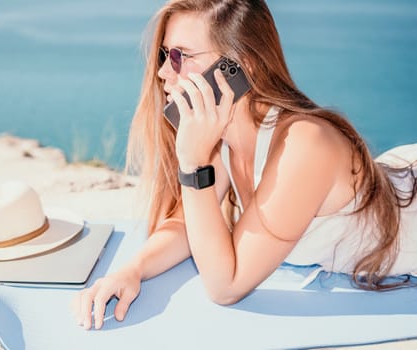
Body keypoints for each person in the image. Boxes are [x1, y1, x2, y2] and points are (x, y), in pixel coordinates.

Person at [72, 0, 417, 330]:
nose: (163, 71)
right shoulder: (224, 139)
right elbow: (186, 224)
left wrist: (192, 164)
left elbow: (226, 286)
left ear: (239, 64)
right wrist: (132, 270)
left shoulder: (305, 144)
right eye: (165, 54)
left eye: (180, 56)